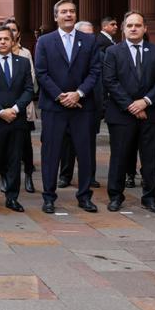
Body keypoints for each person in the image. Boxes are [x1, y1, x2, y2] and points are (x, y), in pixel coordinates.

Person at [34, 0, 100, 214]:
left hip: (82, 106)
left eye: (72, 11)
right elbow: (41, 73)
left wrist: (78, 94)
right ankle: (49, 197)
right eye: (64, 12)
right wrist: (61, 96)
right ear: (56, 17)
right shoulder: (45, 41)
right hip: (54, 107)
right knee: (51, 154)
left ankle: (84, 196)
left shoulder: (89, 41)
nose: (69, 15)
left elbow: (94, 71)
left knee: (85, 153)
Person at [102, 11, 155, 213]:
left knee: (150, 159)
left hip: (150, 114)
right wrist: (131, 105)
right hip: (122, 114)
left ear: (145, 28)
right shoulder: (113, 52)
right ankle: (115, 196)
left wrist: (145, 102)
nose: (133, 28)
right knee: (119, 157)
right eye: (129, 25)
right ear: (123, 29)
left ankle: (149, 198)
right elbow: (110, 81)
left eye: (137, 25)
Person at [0, 26, 34, 213]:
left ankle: (12, 198)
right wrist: (0, 111)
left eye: (6, 39)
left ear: (13, 41)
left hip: (17, 120)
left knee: (14, 160)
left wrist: (16, 109)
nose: (3, 42)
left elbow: (29, 89)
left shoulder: (23, 63)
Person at [59, 21, 98, 190]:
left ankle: (89, 177)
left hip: (89, 102)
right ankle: (65, 175)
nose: (89, 37)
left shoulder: (96, 51)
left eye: (91, 34)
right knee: (67, 144)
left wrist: (81, 93)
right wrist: (67, 96)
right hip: (64, 101)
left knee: (88, 144)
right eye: (85, 33)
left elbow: (96, 75)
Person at [3, 18, 37, 193]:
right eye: (8, 29)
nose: (11, 33)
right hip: (2, 109)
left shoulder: (25, 54)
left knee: (25, 145)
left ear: (18, 33)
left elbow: (31, 80)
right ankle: (5, 177)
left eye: (14, 30)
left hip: (22, 107)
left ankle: (29, 175)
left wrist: (18, 104)